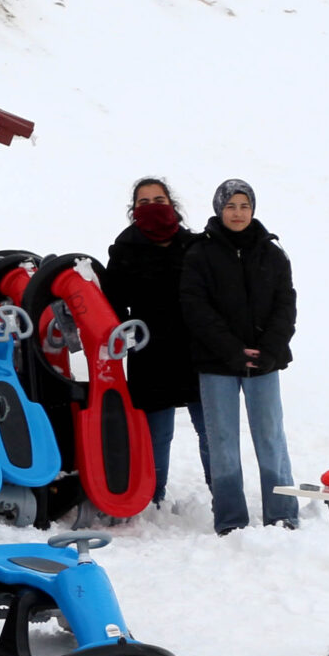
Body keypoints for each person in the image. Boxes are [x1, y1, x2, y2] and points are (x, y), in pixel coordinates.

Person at [179, 178, 298, 532]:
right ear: (219, 209)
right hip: (217, 362)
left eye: (244, 206)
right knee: (222, 441)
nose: (238, 213)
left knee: (270, 437)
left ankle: (282, 514)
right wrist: (231, 350)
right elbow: (195, 307)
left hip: (265, 362)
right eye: (231, 206)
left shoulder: (272, 253)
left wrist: (270, 349)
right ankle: (230, 519)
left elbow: (285, 305)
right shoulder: (199, 253)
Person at [104, 176, 207, 507]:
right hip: (151, 354)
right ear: (133, 209)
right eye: (144, 202)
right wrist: (129, 334)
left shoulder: (196, 246)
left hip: (198, 351)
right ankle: (152, 498)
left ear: (172, 204)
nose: (152, 207)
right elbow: (113, 304)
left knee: (211, 432)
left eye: (159, 200)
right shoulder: (124, 249)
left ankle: (224, 496)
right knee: (156, 436)